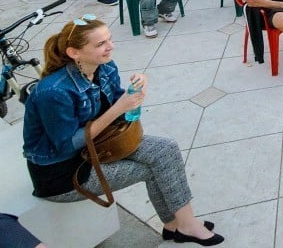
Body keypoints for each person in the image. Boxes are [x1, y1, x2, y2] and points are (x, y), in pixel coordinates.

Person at [21, 17, 223, 245]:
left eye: (109, 39)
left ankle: (180, 224)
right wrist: (119, 106)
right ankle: (179, 226)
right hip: (65, 173)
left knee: (166, 149)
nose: (110, 47)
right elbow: (67, 144)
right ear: (74, 52)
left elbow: (123, 113)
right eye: (100, 44)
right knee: (150, 168)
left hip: (99, 146)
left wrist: (136, 92)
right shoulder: (53, 92)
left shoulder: (105, 67)